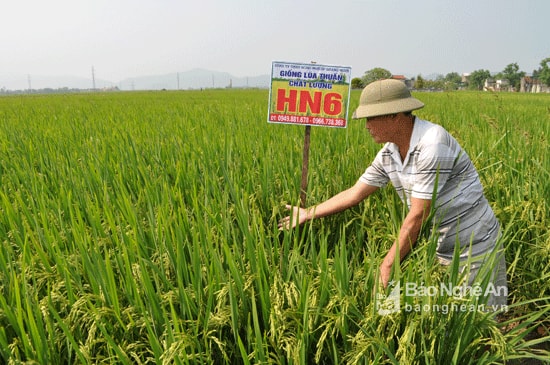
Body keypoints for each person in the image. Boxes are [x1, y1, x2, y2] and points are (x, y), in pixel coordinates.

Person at [278, 79, 507, 309]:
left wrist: (387, 267)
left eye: (371, 118)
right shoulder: (390, 153)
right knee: (448, 315)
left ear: (394, 115)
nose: (366, 125)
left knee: (480, 318)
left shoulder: (432, 144)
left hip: (474, 246)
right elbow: (355, 193)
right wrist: (309, 212)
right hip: (437, 244)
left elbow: (418, 215)